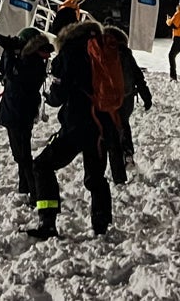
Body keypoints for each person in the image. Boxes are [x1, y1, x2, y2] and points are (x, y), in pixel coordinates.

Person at [26, 17, 121, 240]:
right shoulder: (100, 49)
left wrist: (50, 97)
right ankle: (101, 226)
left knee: (42, 165)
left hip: (77, 123)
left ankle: (47, 222)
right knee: (95, 177)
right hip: (102, 123)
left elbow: (60, 94)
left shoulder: (70, 52)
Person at [0, 25, 52, 197]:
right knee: (21, 153)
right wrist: (9, 52)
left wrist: (9, 52)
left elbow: (11, 74)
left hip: (18, 111)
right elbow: (5, 71)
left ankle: (34, 191)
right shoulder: (31, 60)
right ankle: (25, 187)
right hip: (18, 110)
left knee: (22, 155)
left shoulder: (31, 63)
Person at [106, 25, 152, 169]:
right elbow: (137, 75)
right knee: (123, 124)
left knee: (111, 128)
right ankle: (127, 153)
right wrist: (146, 96)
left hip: (108, 97)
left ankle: (116, 162)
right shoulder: (125, 53)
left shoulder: (101, 52)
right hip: (126, 96)